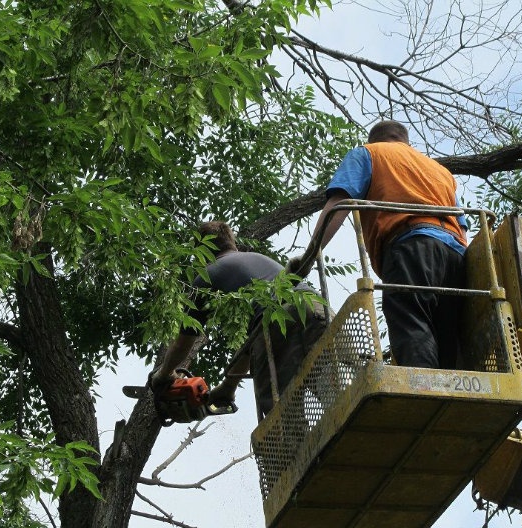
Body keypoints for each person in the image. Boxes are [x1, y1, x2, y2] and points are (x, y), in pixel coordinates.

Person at [293, 120, 468, 369]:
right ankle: (450, 397)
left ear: (374, 139)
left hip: (411, 246)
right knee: (447, 334)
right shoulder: (441, 172)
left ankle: (421, 397)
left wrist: (310, 256)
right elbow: (462, 226)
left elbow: (339, 205)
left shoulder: (368, 153)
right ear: (406, 143)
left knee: (410, 320)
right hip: (455, 254)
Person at [151, 221, 328, 421]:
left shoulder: (205, 278)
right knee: (334, 387)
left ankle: (299, 451)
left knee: (283, 417)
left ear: (201, 252)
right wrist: (228, 386)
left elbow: (183, 343)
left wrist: (164, 374)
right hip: (317, 308)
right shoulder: (260, 259)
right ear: (232, 243)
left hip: (277, 324)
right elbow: (251, 343)